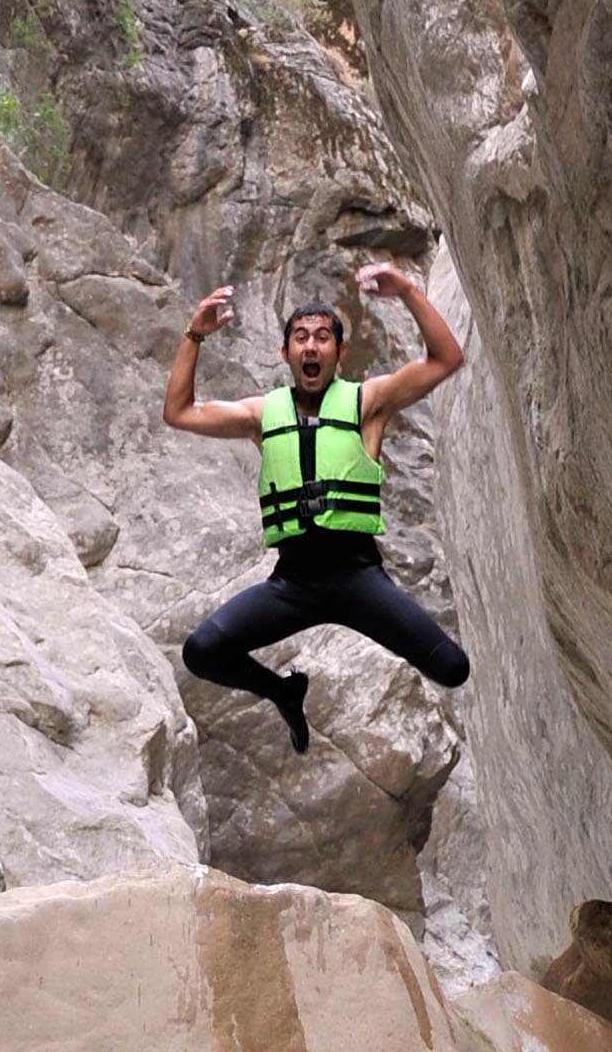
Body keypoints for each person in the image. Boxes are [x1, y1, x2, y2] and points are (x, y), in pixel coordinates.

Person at [165, 270, 469, 753]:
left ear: (339, 353)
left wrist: (408, 290)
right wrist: (194, 334)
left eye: (323, 338)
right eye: (301, 338)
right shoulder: (262, 415)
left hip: (359, 579)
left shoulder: (368, 403)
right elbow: (179, 411)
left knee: (453, 669)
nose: (311, 347)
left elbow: (447, 358)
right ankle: (283, 691)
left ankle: (294, 683)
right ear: (285, 353)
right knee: (201, 652)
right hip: (294, 586)